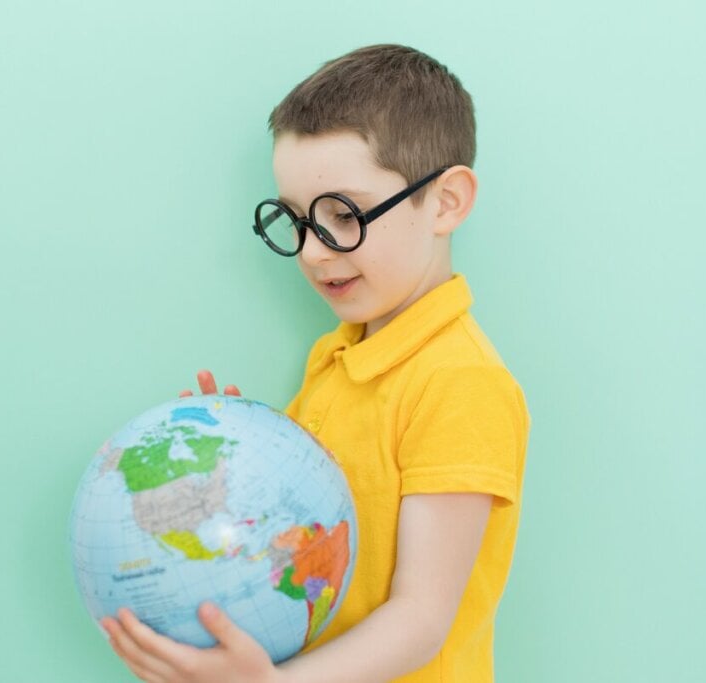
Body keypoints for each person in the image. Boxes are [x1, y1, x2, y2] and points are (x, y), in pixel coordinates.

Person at [102, 43, 531, 683]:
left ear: (445, 202)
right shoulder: (336, 353)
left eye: (342, 214)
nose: (310, 251)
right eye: (296, 219)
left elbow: (421, 618)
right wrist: (242, 460)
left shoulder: (460, 384)